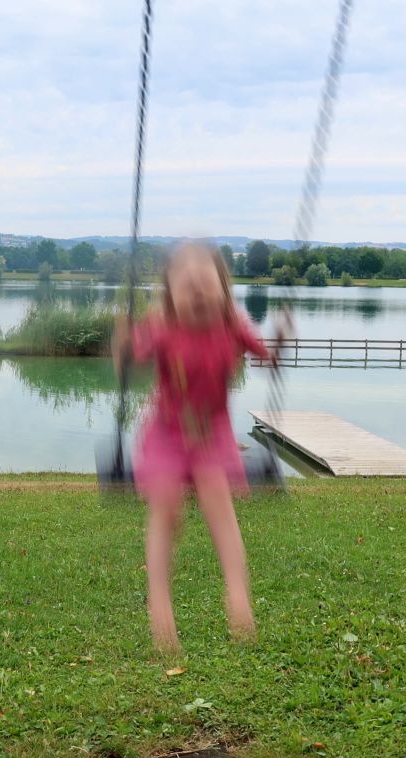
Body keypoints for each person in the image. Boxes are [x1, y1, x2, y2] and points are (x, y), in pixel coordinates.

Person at [114, 241, 289, 655]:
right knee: (167, 506)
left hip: (211, 436)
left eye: (204, 282)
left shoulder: (234, 326)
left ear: (223, 290)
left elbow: (268, 357)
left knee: (218, 502)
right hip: (166, 433)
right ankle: (160, 605)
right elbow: (130, 360)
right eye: (185, 283)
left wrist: (279, 344)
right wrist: (120, 346)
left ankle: (238, 596)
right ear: (170, 295)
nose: (196, 291)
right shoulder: (162, 327)